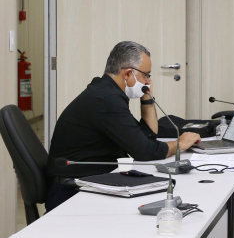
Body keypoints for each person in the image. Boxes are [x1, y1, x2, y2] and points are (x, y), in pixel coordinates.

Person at [45, 41, 201, 211]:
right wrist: (181, 144)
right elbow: (145, 151)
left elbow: (147, 137)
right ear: (127, 74)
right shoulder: (105, 99)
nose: (148, 81)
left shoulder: (106, 92)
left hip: (90, 181)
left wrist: (147, 97)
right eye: (146, 75)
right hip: (70, 192)